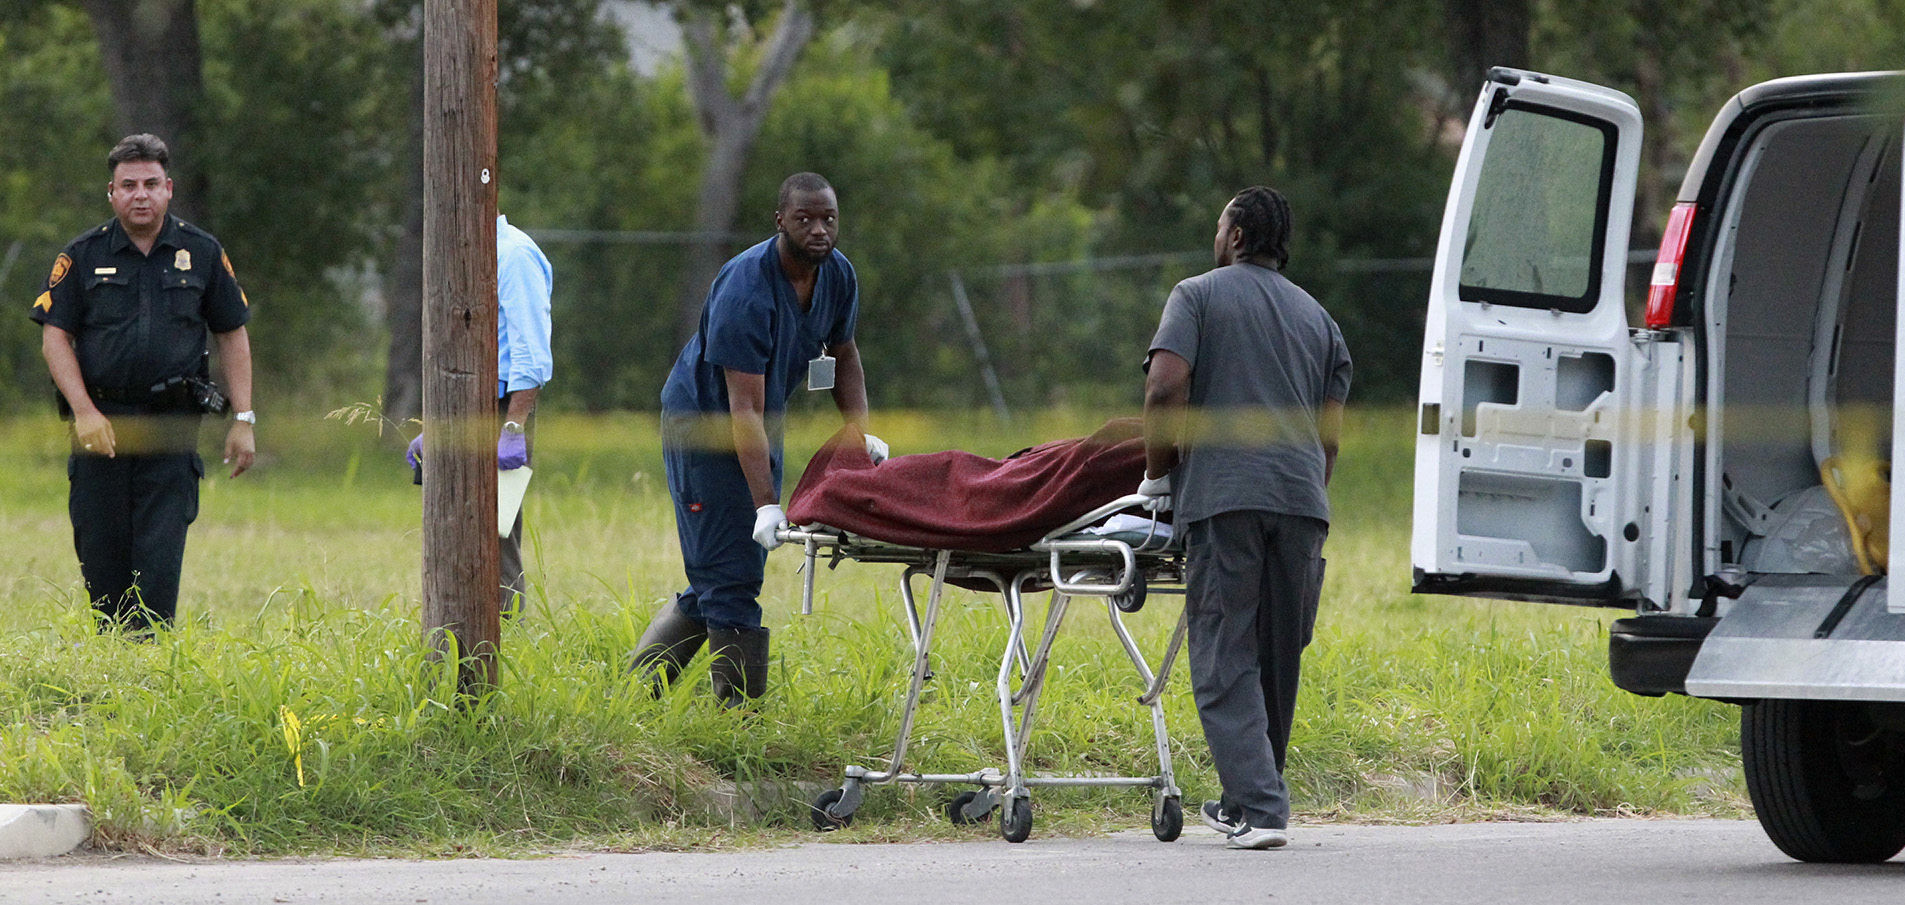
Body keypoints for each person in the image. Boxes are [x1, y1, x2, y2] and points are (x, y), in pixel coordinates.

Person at [1136, 186, 1350, 850]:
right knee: (1275, 656)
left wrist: (1156, 473)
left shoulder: (1196, 295)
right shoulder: (1321, 321)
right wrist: (1299, 495)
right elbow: (1329, 439)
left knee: (1224, 651)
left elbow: (1165, 385)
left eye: (1216, 222)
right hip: (1301, 502)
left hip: (1226, 494)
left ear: (1232, 236)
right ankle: (1246, 797)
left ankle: (1259, 809)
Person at [630, 171, 885, 707]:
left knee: (728, 571)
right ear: (780, 222)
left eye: (828, 218)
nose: (819, 229)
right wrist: (766, 502)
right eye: (805, 219)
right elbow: (739, 408)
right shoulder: (746, 287)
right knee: (729, 578)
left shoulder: (837, 275)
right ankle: (738, 720)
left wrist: (859, 432)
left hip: (759, 422)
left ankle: (632, 694)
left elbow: (844, 354)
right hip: (705, 426)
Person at [30, 133, 255, 633]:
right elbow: (55, 338)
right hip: (102, 424)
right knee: (100, 546)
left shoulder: (201, 252)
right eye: (128, 185)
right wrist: (85, 411)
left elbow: (232, 334)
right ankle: (113, 656)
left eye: (151, 184)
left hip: (171, 425)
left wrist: (243, 419)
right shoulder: (83, 255)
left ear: (168, 188)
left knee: (160, 550)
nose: (140, 194)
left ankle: (150, 658)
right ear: (111, 193)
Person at [404, 213, 554, 618]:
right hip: (463, 405)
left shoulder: (514, 255)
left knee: (494, 533)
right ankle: (452, 635)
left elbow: (532, 354)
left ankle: (503, 641)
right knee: (454, 527)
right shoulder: (459, 259)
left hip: (504, 408)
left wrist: (513, 427)